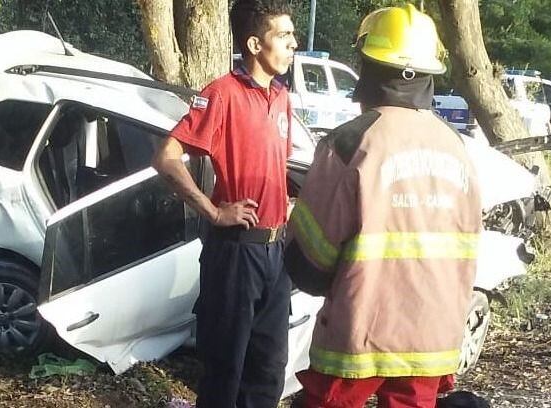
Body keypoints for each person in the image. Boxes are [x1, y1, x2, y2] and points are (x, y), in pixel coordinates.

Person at [284, 4, 482, 407]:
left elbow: (310, 261)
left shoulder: (351, 142)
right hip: (431, 339)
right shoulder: (457, 147)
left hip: (360, 337)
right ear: (427, 77)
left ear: (369, 69)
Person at [151, 1, 297, 406]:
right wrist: (214, 212)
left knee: (268, 369)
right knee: (225, 369)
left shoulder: (281, 97)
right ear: (254, 43)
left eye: (292, 36)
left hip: (276, 253)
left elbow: (275, 165)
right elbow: (165, 157)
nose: (293, 44)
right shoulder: (222, 94)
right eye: (283, 36)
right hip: (235, 252)